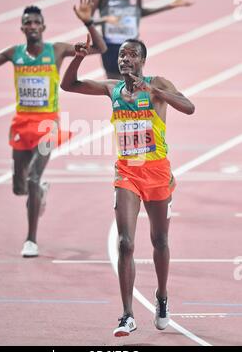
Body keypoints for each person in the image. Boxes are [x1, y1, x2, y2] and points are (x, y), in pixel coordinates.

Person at [61, 36, 195, 336]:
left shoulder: (157, 83)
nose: (125, 59)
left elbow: (189, 107)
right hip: (127, 173)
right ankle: (127, 315)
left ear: (142, 61)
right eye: (122, 55)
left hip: (157, 172)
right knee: (125, 243)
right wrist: (79, 57)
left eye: (132, 55)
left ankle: (161, 297)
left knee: (159, 241)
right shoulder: (113, 88)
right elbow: (68, 85)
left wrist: (156, 91)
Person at [0, 0, 107, 258]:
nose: (32, 26)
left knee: (33, 177)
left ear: (43, 27)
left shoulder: (56, 50)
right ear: (22, 28)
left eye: (36, 22)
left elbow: (99, 48)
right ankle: (39, 192)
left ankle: (31, 240)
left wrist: (88, 22)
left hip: (48, 123)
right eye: (27, 22)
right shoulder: (14, 54)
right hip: (22, 123)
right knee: (19, 187)